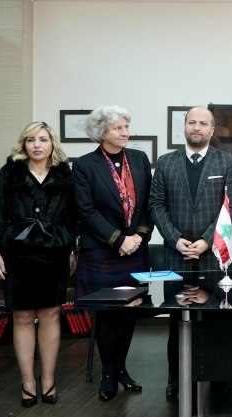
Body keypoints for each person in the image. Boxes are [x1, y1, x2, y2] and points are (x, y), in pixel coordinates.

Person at [0, 122, 78, 407]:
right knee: (22, 317)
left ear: (52, 144)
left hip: (55, 252)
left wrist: (72, 250)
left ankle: (48, 381)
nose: (37, 145)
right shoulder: (9, 172)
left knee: (50, 315)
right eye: (31, 140)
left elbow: (74, 216)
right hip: (17, 253)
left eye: (43, 139)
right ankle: (27, 382)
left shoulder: (65, 175)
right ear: (23, 144)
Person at [150, 106, 232, 397]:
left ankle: (218, 376)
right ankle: (177, 380)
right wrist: (175, 239)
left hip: (214, 255)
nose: (197, 128)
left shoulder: (227, 162)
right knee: (177, 321)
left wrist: (206, 240)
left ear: (212, 130)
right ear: (185, 127)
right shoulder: (166, 162)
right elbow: (156, 204)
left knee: (217, 319)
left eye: (203, 123)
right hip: (176, 255)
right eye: (192, 122)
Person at [73, 106, 153, 401]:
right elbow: (85, 210)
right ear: (101, 133)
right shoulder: (85, 165)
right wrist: (118, 239)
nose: (124, 133)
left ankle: (121, 369)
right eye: (118, 128)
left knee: (129, 311)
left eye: (126, 127)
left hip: (135, 248)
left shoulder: (139, 159)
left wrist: (139, 236)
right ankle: (107, 373)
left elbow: (149, 202)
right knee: (106, 313)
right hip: (102, 249)